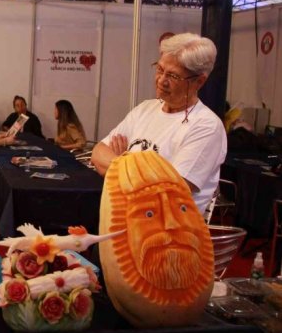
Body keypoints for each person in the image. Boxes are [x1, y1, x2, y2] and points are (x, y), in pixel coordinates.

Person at [91, 33, 227, 216]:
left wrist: (120, 162)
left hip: (167, 230)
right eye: (160, 69)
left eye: (173, 76)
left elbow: (170, 191)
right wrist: (138, 172)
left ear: (199, 81)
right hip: (122, 221)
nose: (161, 80)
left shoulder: (206, 126)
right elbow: (98, 153)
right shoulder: (145, 109)